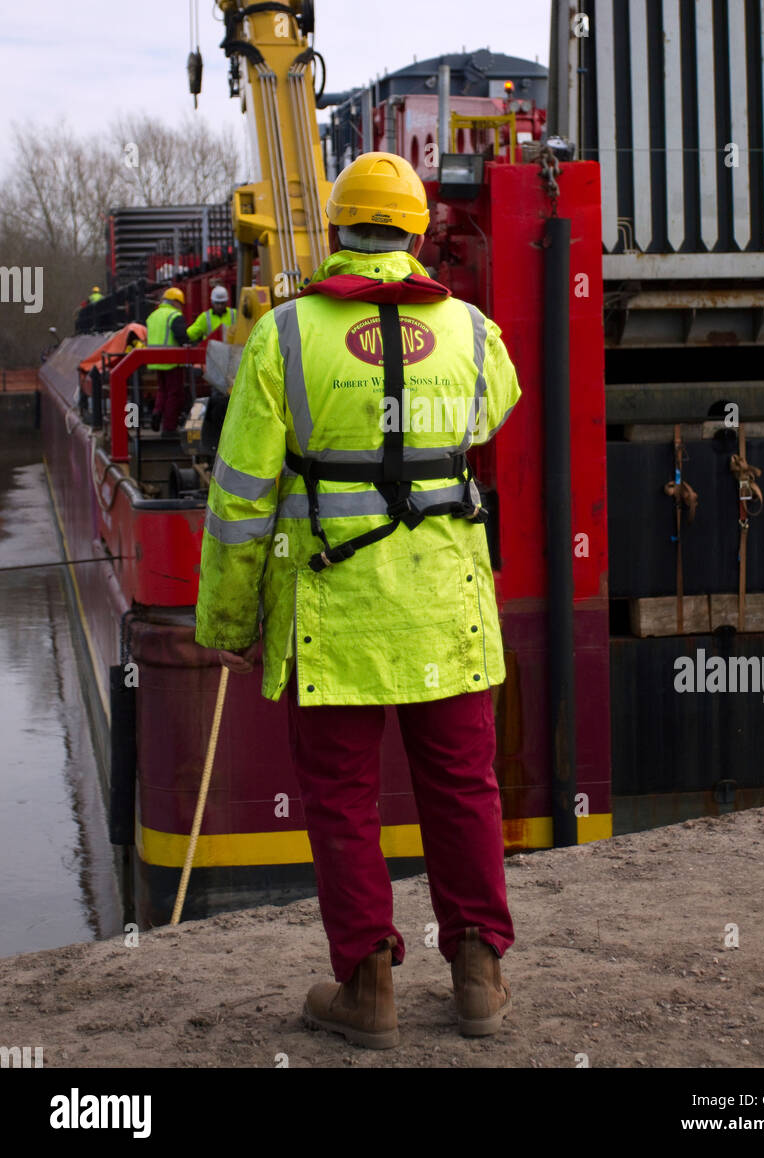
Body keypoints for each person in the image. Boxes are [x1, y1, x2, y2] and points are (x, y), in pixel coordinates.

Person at [195, 152, 521, 1050]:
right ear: (417, 233)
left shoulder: (286, 336)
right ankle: (480, 980)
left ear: (337, 231)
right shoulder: (471, 330)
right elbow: (497, 407)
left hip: (330, 614)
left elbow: (240, 500)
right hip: (444, 608)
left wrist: (227, 622)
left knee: (342, 798)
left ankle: (369, 986)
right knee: (462, 787)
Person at [145, 286, 190, 434]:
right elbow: (182, 337)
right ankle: (169, 428)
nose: (181, 308)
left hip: (155, 360)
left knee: (162, 390)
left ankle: (157, 412)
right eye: (181, 304)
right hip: (172, 361)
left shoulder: (153, 315)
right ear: (176, 302)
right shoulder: (174, 316)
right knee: (175, 394)